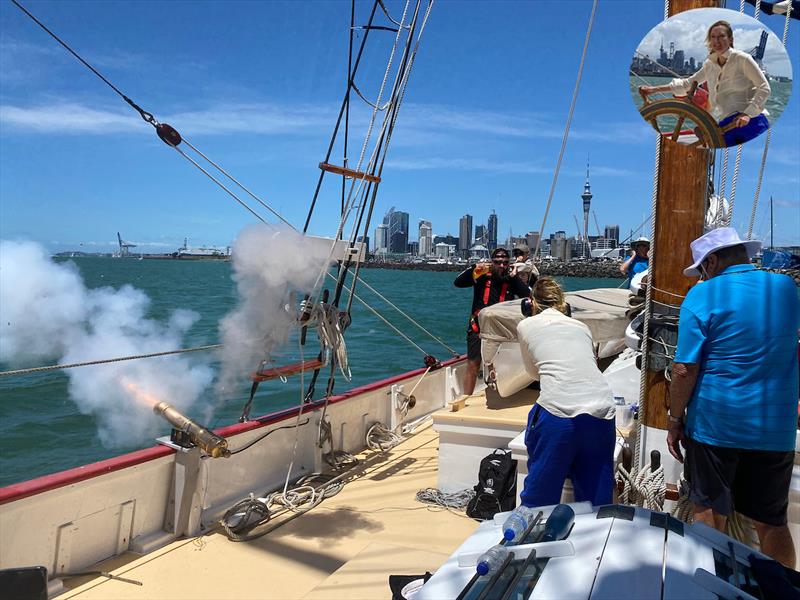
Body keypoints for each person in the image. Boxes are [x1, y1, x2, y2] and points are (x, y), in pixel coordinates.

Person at [666, 227, 799, 568]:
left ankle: (709, 588)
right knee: (771, 521)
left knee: (710, 516)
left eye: (701, 268)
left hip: (716, 427)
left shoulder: (702, 296)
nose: (702, 275)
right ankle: (784, 590)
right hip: (775, 428)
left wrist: (674, 420)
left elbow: (684, 370)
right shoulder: (786, 288)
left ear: (711, 261)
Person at [516, 277, 616, 507]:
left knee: (539, 497)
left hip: (558, 412)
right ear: (564, 306)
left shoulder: (526, 325)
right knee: (596, 501)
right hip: (602, 410)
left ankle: (532, 536)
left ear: (530, 304)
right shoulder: (582, 327)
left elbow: (533, 372)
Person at [639, 20, 770, 147]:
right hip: (727, 124)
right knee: (701, 131)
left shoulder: (743, 59)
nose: (716, 41)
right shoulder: (710, 65)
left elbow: (764, 88)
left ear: (730, 39)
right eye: (713, 37)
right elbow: (687, 84)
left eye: (721, 36)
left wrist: (747, 114)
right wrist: (653, 90)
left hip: (752, 122)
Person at [454, 247, 530, 395]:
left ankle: (500, 391)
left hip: (501, 328)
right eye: (497, 262)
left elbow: (526, 295)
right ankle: (466, 397)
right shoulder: (482, 276)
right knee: (473, 364)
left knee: (501, 363)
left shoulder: (511, 279)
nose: (501, 266)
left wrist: (514, 277)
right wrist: (474, 269)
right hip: (478, 327)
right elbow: (458, 283)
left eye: (504, 263)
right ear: (492, 262)